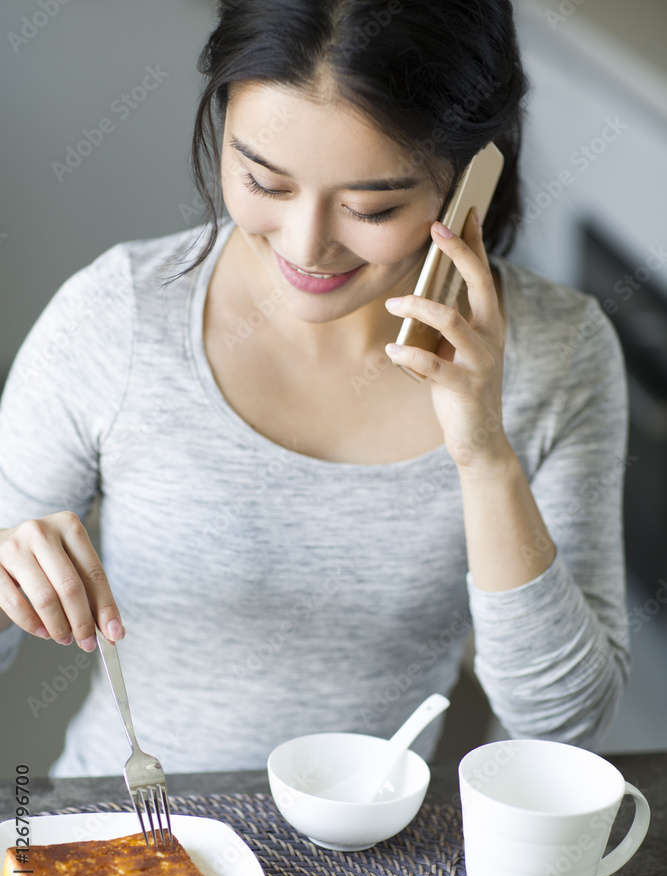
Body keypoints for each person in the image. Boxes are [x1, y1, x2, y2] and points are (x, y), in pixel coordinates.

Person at [0, 0, 630, 776]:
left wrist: (482, 453)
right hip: (125, 844)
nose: (306, 246)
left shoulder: (560, 353)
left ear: (475, 176)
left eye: (373, 207)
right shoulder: (116, 318)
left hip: (380, 868)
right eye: (263, 181)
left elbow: (561, 730)